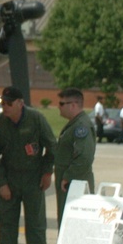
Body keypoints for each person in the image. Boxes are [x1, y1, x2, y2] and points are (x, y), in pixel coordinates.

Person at [0, 86, 56, 244]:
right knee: (7, 226)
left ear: (20, 103)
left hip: (33, 180)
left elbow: (52, 146)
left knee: (35, 227)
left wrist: (47, 172)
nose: (5, 107)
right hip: (10, 180)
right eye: (3, 103)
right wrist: (2, 183)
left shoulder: (36, 119)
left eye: (9, 103)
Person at [54, 88, 96, 226]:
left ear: (73, 105)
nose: (58, 107)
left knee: (73, 224)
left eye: (61, 104)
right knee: (66, 221)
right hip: (70, 184)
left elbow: (84, 156)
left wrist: (68, 176)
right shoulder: (74, 124)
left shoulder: (81, 126)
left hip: (75, 184)